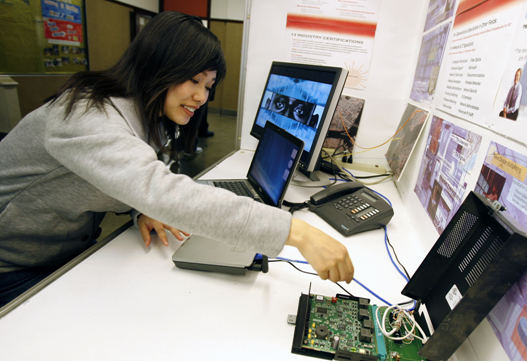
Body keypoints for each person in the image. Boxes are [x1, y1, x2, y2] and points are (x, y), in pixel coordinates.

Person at [0, 12, 354, 308]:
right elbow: (159, 188)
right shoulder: (86, 114)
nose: (201, 96)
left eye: (210, 85)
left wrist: (140, 206)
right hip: (14, 266)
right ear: (157, 65)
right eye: (193, 80)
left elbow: (128, 176)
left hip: (64, 250)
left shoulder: (148, 115)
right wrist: (297, 233)